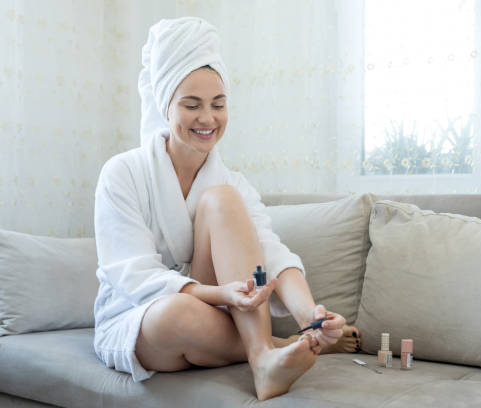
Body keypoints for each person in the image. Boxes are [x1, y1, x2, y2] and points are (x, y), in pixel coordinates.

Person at [92, 17, 360, 401]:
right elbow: (133, 275)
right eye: (192, 104)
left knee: (222, 199)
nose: (208, 118)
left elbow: (270, 253)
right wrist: (222, 295)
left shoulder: (233, 184)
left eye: (218, 104)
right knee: (175, 314)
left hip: (217, 318)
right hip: (143, 316)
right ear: (165, 105)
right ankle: (276, 344)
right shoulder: (123, 173)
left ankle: (268, 357)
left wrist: (310, 315)